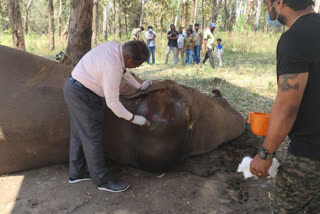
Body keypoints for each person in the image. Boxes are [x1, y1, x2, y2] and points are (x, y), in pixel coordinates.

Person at [249, 0, 320, 213]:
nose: (267, 8)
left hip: (311, 154)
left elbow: (287, 105)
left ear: (278, 2)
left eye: (266, 3)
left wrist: (265, 154)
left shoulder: (295, 38)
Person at [64, 40, 152, 193]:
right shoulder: (112, 66)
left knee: (79, 134)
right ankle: (102, 181)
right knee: (92, 137)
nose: (138, 67)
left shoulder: (116, 48)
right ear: (130, 59)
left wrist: (139, 86)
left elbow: (125, 71)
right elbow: (113, 103)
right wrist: (134, 118)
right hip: (82, 94)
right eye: (138, 64)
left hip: (76, 88)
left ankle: (77, 173)